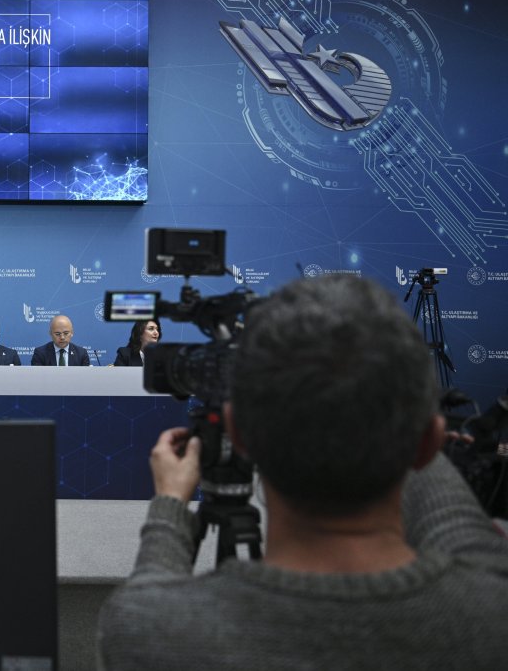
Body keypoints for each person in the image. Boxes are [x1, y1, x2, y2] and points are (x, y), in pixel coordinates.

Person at [97, 275, 508, 669]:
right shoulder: (493, 603)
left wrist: (169, 504)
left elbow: (148, 594)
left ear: (240, 434)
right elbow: (458, 524)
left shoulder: (147, 630)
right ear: (429, 443)